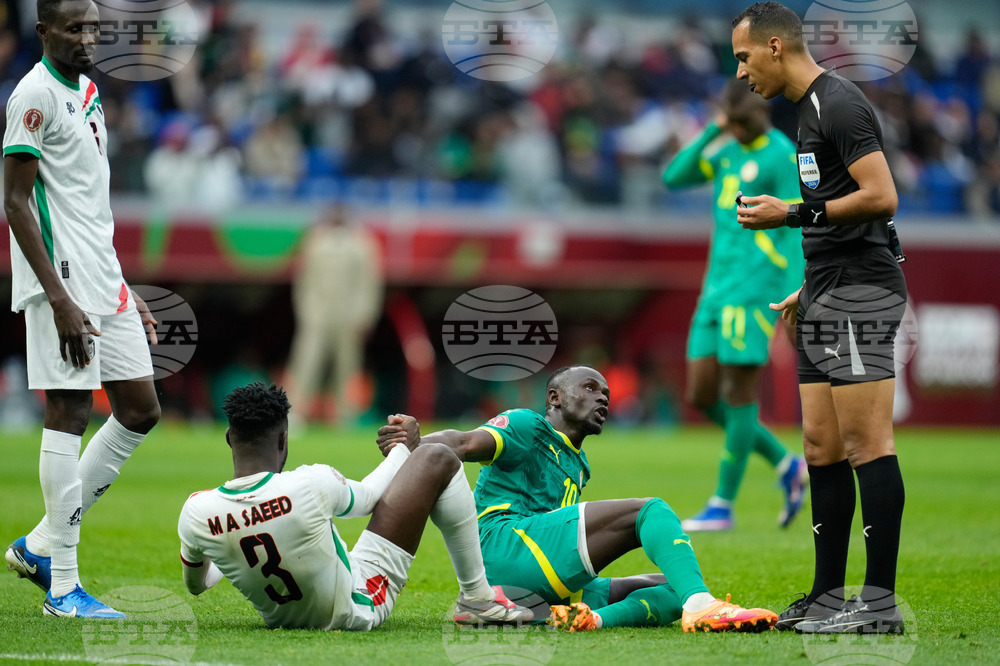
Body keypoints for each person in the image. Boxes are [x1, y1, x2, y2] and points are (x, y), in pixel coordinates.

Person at [731, 2, 908, 634]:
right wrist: (807, 286)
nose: (741, 72)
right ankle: (827, 596)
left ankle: (879, 606)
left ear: (775, 47)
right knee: (820, 444)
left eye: (744, 57)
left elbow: (881, 196)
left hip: (861, 289)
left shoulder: (837, 103)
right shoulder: (806, 110)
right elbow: (839, 206)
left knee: (866, 444)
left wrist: (789, 214)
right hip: (826, 288)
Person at [375, 366, 778, 633]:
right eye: (589, 388)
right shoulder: (527, 426)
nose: (603, 398)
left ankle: (589, 619)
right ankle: (703, 606)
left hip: (540, 575)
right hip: (507, 550)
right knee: (650, 511)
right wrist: (415, 443)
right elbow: (462, 442)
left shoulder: (579, 463)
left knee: (674, 586)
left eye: (606, 393)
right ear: (554, 397)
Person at [3, 0, 161, 618]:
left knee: (140, 410)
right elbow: (16, 202)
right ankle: (63, 588)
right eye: (75, 28)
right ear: (44, 31)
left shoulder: (89, 91)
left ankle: (41, 543)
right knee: (69, 409)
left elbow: (88, 203)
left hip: (103, 278)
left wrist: (122, 284)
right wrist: (59, 299)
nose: (88, 38)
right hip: (62, 286)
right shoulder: (33, 96)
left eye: (94, 27)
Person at [178, 383, 532, 630]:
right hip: (357, 606)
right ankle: (478, 597)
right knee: (437, 456)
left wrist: (235, 536)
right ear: (284, 438)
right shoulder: (308, 483)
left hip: (283, 617)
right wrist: (404, 446)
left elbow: (197, 584)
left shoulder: (196, 512)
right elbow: (368, 499)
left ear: (229, 438)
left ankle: (478, 598)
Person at [663, 78, 808, 532]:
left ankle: (722, 504)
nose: (739, 130)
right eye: (733, 123)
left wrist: (795, 292)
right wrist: (714, 129)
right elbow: (674, 176)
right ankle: (787, 464)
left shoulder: (781, 155)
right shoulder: (726, 150)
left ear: (763, 112)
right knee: (701, 395)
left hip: (755, 289)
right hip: (715, 290)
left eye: (743, 122)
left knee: (739, 393)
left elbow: (795, 229)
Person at [285, 204, 383, 429]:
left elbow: (368, 284)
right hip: (318, 314)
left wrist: (364, 315)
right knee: (306, 363)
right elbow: (305, 282)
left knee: (347, 367)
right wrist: (307, 312)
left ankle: (346, 416)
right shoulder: (315, 241)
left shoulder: (362, 243)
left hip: (349, 315)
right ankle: (294, 413)